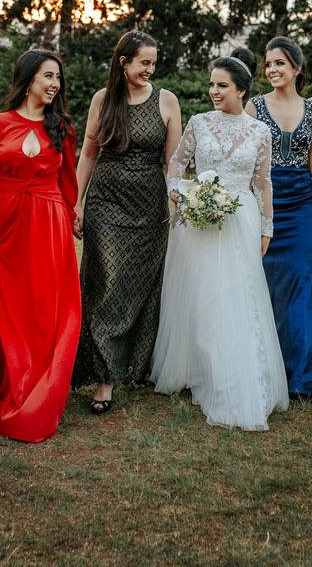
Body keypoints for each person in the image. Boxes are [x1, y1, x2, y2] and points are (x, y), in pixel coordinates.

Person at [151, 48, 289, 430]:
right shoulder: (198, 122)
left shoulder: (261, 131)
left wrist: (266, 226)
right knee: (202, 293)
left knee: (237, 294)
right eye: (211, 84)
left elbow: (263, 182)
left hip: (241, 219)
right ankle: (201, 367)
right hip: (199, 215)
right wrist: (179, 190)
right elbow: (177, 161)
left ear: (242, 90)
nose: (214, 90)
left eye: (222, 85)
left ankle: (233, 373)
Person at [0, 50, 81, 442]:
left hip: (50, 223)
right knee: (12, 303)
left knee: (48, 304)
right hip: (8, 224)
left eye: (57, 78)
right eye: (48, 76)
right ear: (28, 78)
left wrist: (71, 215)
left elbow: (68, 181)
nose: (54, 84)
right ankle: (16, 377)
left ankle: (45, 385)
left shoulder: (63, 128)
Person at [71, 32, 182, 414]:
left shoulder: (167, 100)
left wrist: (182, 201)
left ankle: (137, 365)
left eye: (153, 63)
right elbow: (87, 154)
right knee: (107, 285)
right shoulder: (103, 100)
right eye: (143, 63)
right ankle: (104, 377)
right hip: (106, 203)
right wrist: (77, 202)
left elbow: (174, 164)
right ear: (124, 62)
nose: (150, 70)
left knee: (144, 285)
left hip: (150, 207)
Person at [246, 36, 312, 400]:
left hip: (302, 205)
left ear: (297, 68)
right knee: (263, 283)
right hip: (264, 201)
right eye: (268, 64)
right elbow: (246, 162)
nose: (273, 70)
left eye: (280, 63)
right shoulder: (253, 106)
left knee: (300, 281)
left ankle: (304, 377)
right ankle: (264, 368)